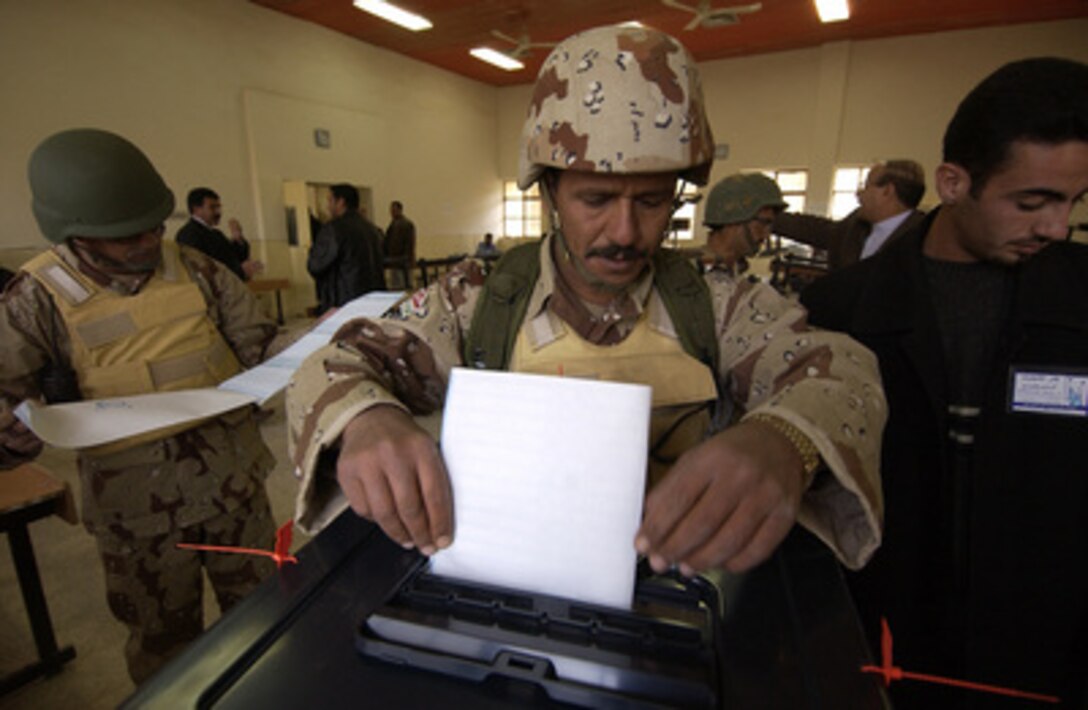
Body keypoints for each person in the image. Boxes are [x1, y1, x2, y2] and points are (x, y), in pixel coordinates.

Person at [286, 25, 885, 583]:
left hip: (684, 588)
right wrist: (366, 421)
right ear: (549, 190)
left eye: (652, 202)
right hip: (504, 585)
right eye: (595, 199)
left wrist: (785, 441)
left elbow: (842, 369)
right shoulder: (477, 302)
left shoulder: (717, 305)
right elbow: (332, 363)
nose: (624, 232)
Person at [801, 57, 1088, 708]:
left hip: (1040, 663)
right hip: (882, 655)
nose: (1057, 227)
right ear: (953, 182)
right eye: (1033, 201)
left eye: (1073, 201)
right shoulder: (842, 311)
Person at [0, 129, 289, 684]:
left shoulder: (198, 269)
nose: (146, 243)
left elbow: (260, 346)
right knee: (166, 651)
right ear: (73, 232)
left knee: (264, 624)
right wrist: (12, 436)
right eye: (124, 235)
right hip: (138, 516)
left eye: (154, 226)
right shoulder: (36, 298)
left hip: (235, 490)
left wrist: (320, 343)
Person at [774, 160, 926, 271]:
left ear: (887, 191)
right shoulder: (856, 226)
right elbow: (816, 230)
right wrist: (769, 217)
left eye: (867, 186)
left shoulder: (925, 238)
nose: (859, 194)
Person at [307, 183, 386, 315]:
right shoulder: (372, 229)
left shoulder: (334, 229)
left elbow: (315, 265)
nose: (328, 206)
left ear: (341, 202)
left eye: (330, 200)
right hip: (374, 301)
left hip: (345, 302)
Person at [700, 173, 788, 276]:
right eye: (763, 223)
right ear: (734, 219)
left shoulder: (737, 273)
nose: (766, 234)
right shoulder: (687, 273)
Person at [175, 187, 263, 281]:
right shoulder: (188, 234)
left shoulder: (216, 234)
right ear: (197, 210)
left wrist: (238, 238)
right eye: (212, 207)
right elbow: (201, 271)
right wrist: (240, 271)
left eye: (218, 207)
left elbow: (235, 257)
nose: (218, 212)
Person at [384, 200, 416, 289]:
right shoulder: (393, 225)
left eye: (394, 210)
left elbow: (409, 244)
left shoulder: (406, 224)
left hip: (402, 261)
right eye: (391, 210)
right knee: (396, 286)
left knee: (404, 286)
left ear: (400, 210)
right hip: (395, 261)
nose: (392, 212)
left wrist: (406, 259)